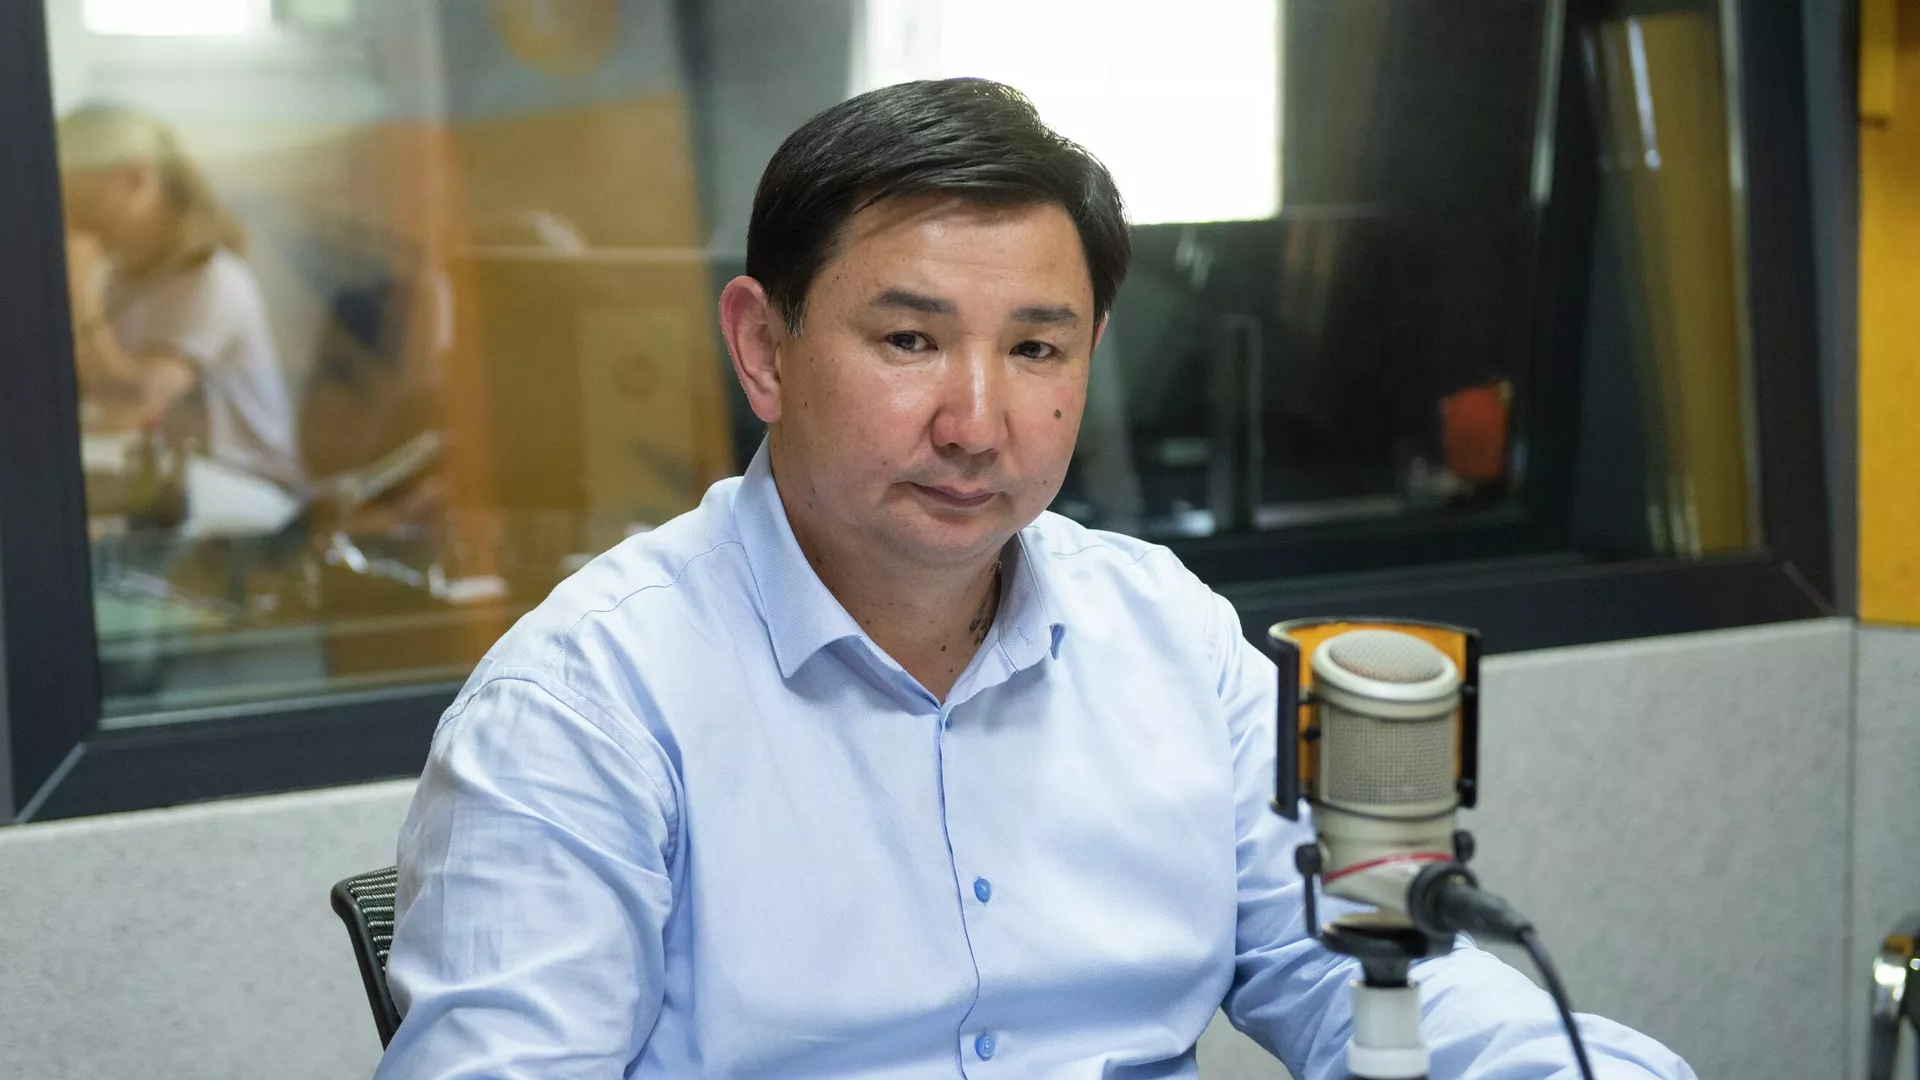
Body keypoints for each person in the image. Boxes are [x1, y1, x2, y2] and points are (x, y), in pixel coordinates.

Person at [378, 79, 1693, 1078]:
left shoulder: (1166, 637)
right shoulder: (585, 705)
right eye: (910, 339)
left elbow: (1363, 964)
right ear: (765, 350)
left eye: (1036, 350)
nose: (977, 422)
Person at [59, 103, 304, 492]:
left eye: (82, 205)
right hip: (170, 486)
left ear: (135, 179)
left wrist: (76, 289)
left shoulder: (210, 280)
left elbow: (131, 409)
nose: (72, 223)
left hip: (249, 491)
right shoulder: (121, 278)